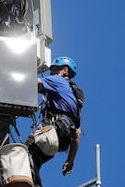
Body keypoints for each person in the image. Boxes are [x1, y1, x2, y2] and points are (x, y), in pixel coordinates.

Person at [28, 56, 84, 187]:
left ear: (65, 70)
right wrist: (70, 161)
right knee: (34, 161)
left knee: (25, 154)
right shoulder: (74, 99)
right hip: (62, 139)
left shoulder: (58, 80)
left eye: (54, 71)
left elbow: (32, 83)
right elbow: (77, 134)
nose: (51, 74)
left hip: (54, 128)